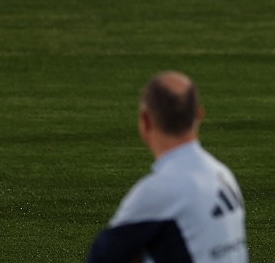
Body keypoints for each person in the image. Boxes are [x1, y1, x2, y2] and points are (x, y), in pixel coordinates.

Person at [86, 71, 249, 262]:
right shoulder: (223, 174)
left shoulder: (160, 191)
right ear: (197, 115)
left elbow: (100, 258)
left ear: (145, 121)